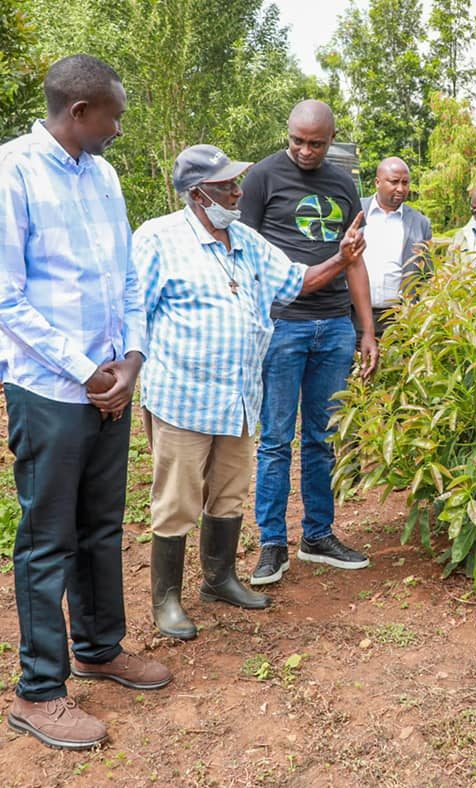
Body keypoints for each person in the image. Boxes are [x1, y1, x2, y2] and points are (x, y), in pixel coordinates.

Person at [0, 54, 171, 751]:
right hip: (49, 389)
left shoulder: (104, 177)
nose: (119, 128)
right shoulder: (12, 172)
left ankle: (99, 646)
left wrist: (129, 363)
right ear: (80, 113)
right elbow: (7, 297)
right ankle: (38, 691)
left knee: (102, 525)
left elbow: (128, 280)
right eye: (114, 116)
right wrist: (85, 372)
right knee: (48, 537)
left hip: (110, 384)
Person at [133, 144, 366, 639]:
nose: (238, 191)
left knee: (229, 495)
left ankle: (219, 578)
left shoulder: (246, 240)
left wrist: (340, 260)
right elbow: (133, 313)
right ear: (197, 194)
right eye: (226, 186)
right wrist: (127, 374)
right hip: (183, 398)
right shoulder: (158, 238)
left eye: (236, 183)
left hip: (238, 399)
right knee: (176, 501)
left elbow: (296, 281)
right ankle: (167, 598)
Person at [239, 100, 379, 586]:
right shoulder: (261, 177)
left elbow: (354, 260)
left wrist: (366, 329)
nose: (303, 150)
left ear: (331, 139)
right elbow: (242, 253)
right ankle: (272, 544)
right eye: (296, 140)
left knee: (322, 438)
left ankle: (318, 535)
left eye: (315, 143)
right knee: (276, 439)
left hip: (334, 327)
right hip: (281, 326)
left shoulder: (344, 185)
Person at [356, 156, 432, 340]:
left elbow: (427, 274)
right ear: (377, 182)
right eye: (394, 182)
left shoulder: (420, 223)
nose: (401, 188)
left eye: (405, 183)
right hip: (353, 317)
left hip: (399, 321)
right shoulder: (355, 211)